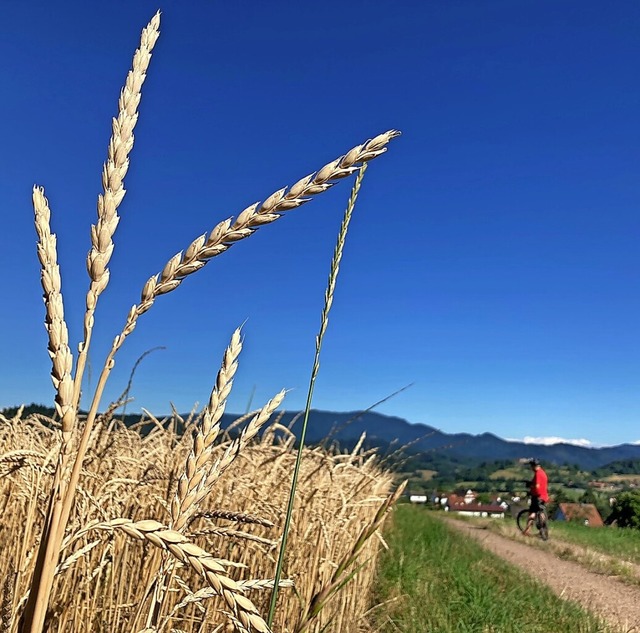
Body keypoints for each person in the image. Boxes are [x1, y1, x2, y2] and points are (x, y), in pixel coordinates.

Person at [522, 458, 548, 536]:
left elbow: (537, 486)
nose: (531, 468)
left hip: (537, 496)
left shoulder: (538, 474)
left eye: (531, 466)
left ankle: (527, 531)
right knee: (541, 512)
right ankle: (543, 530)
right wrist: (531, 483)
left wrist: (531, 490)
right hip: (544, 496)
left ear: (533, 466)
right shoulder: (543, 473)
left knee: (532, 513)